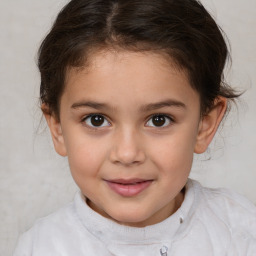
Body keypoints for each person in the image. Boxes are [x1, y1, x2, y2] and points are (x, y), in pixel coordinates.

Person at [13, 0, 256, 255]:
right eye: (96, 120)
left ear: (204, 124)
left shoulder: (241, 232)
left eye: (159, 120)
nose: (127, 154)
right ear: (58, 128)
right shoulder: (41, 247)